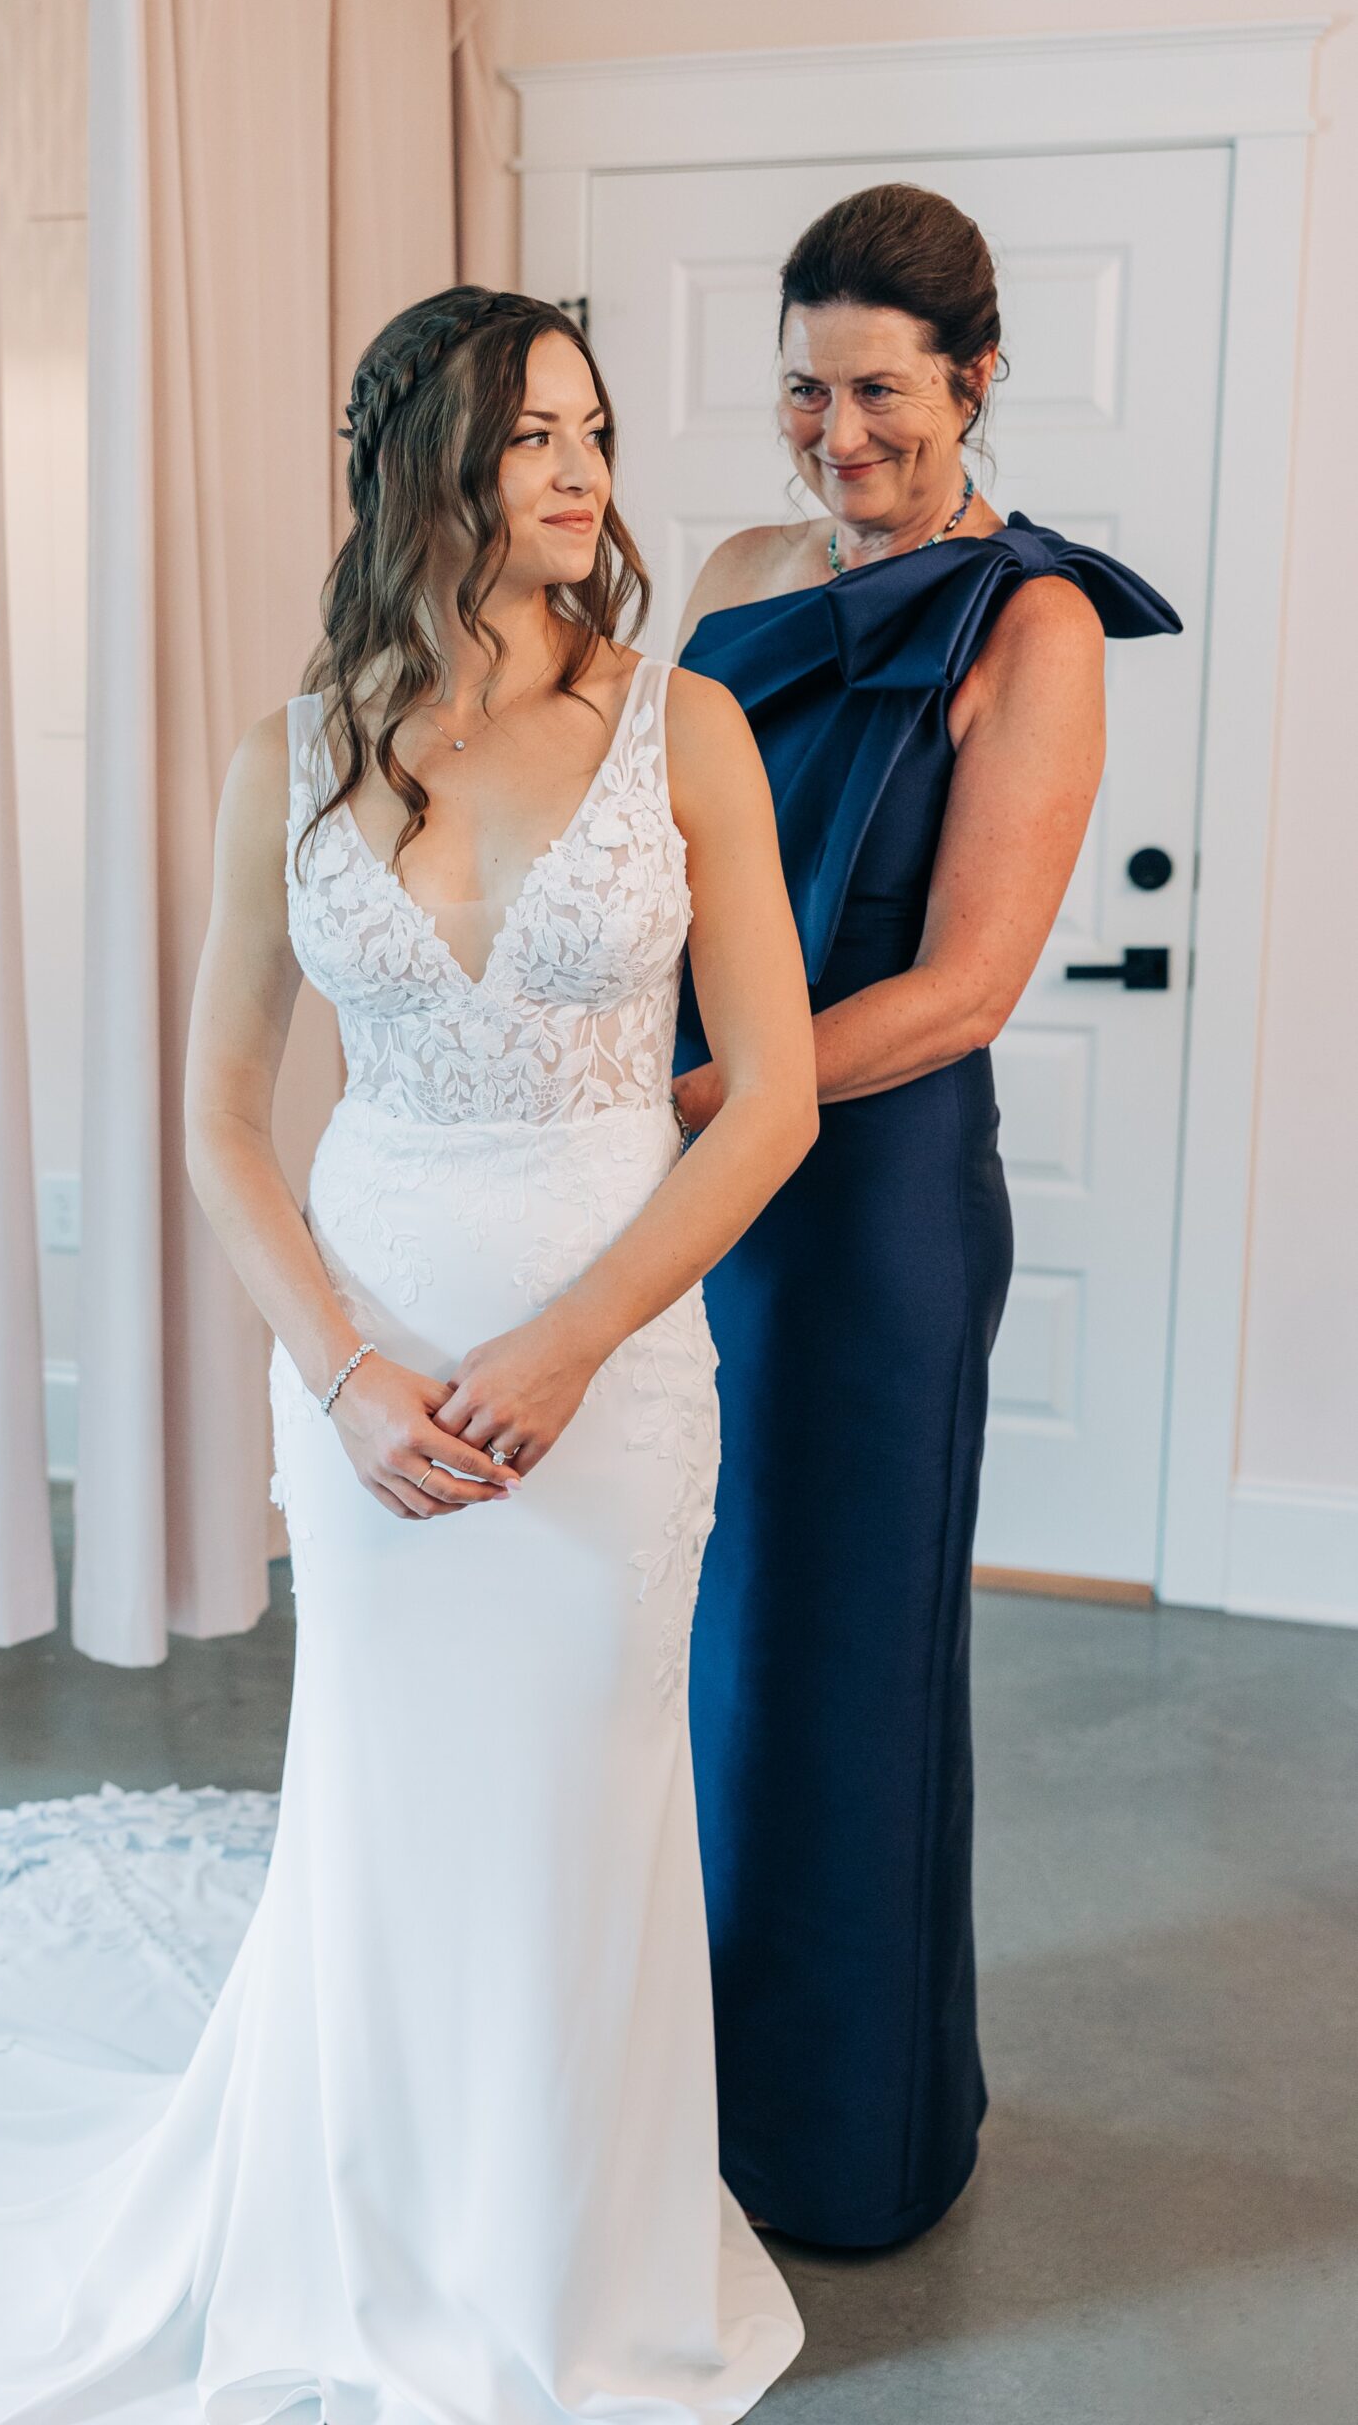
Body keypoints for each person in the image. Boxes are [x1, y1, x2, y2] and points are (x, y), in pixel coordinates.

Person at [0, 290, 815, 2423]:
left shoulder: (687, 727)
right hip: (365, 1345)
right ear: (416, 472)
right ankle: (360, 2237)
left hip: (611, 1361)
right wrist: (349, 1372)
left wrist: (561, 1345)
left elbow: (769, 1100)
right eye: (528, 433)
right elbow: (210, 1112)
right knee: (386, 1794)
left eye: (590, 430)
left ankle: (575, 2272)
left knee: (581, 1794)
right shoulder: (286, 754)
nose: (577, 472)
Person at [671, 183, 1181, 2251]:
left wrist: (685, 1109)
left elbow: (961, 986)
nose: (834, 430)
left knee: (830, 1663)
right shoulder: (726, 568)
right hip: (677, 1192)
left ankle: (834, 2147)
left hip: (855, 1216)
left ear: (973, 380)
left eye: (877, 388)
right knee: (692, 1653)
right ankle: (667, 2086)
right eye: (801, 387)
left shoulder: (1030, 623)